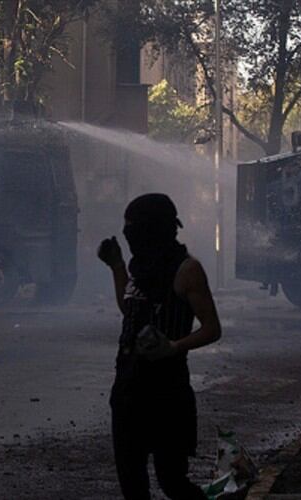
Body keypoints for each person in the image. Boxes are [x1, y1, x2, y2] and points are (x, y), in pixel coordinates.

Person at [97, 193, 222, 500]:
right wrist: (117, 266)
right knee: (132, 484)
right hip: (128, 388)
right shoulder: (139, 267)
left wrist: (173, 346)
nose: (128, 234)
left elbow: (211, 329)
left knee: (172, 481)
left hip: (167, 391)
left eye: (133, 227)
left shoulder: (187, 270)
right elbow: (130, 309)